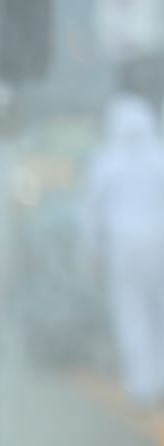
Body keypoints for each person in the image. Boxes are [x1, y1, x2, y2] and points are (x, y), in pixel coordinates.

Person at [81, 93, 164, 405]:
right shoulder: (160, 158)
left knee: (132, 316)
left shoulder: (105, 163)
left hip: (123, 250)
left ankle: (142, 387)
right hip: (159, 246)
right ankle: (158, 381)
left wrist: (91, 251)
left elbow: (91, 212)